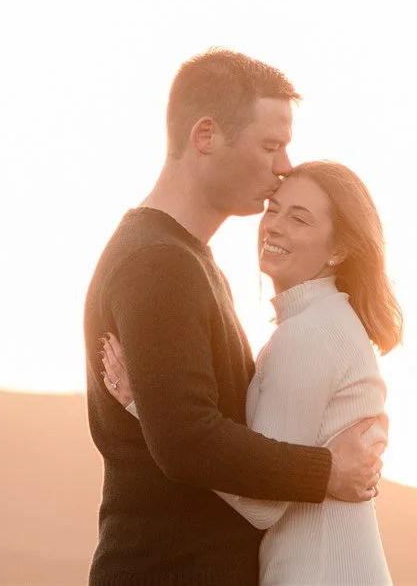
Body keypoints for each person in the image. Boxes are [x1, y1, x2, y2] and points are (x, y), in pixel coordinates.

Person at [82, 48, 385, 585]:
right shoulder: (159, 263)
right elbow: (188, 439)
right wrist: (327, 470)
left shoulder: (187, 260)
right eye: (270, 145)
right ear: (206, 136)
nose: (284, 165)